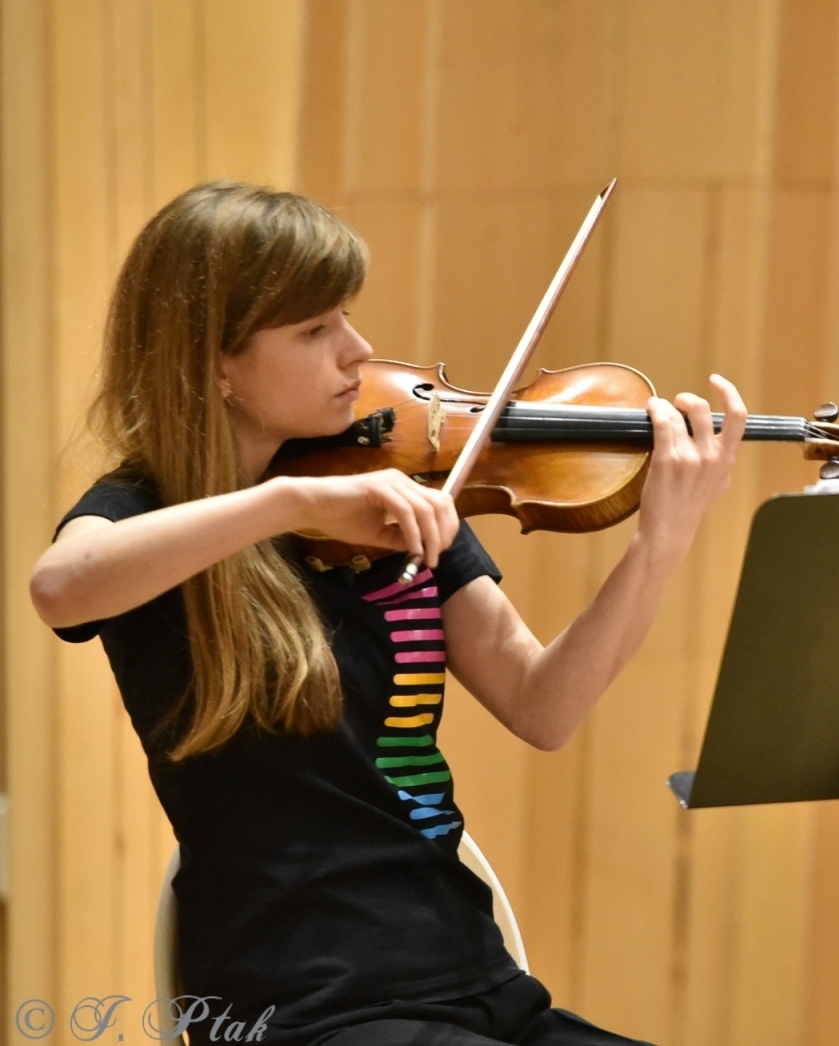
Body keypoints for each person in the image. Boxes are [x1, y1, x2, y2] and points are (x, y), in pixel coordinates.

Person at [29, 182, 746, 1045]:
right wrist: (290, 503)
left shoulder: (398, 499)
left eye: (345, 317)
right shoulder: (150, 513)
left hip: (471, 977)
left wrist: (659, 544)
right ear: (216, 361)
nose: (357, 350)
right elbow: (61, 588)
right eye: (314, 329)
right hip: (307, 1006)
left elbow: (543, 704)